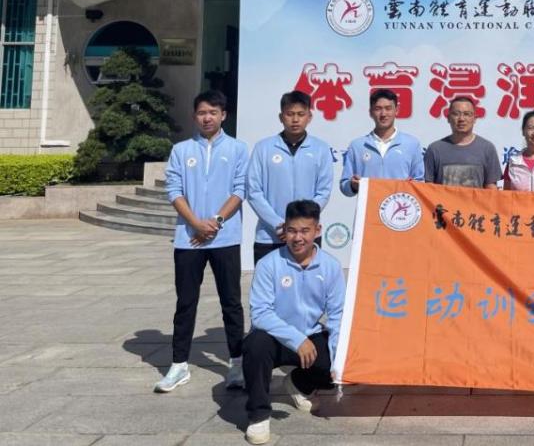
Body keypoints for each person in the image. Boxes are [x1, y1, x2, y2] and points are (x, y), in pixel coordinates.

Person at [154, 90, 248, 393]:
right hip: (188, 239)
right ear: (195, 116)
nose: (207, 118)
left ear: (223, 115)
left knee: (231, 302)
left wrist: (216, 222)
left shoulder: (238, 149)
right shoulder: (181, 150)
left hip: (225, 238)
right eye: (202, 112)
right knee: (185, 303)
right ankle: (179, 364)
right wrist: (195, 223)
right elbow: (173, 190)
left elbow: (240, 189)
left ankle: (237, 363)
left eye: (213, 112)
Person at [243, 200, 344, 445]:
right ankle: (258, 415)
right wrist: (297, 340)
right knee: (254, 345)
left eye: (305, 231)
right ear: (284, 231)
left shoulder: (331, 267)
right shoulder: (269, 264)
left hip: (310, 337)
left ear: (317, 231)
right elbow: (260, 313)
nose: (298, 238)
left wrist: (338, 361)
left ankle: (298, 383)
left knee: (341, 359)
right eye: (292, 231)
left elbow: (338, 316)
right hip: (275, 338)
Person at [247, 91, 334, 263]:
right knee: (268, 280)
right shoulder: (263, 148)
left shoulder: (321, 149)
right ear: (281, 117)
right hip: (270, 236)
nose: (295, 119)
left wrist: (301, 225)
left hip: (307, 236)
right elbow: (253, 191)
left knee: (308, 280)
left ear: (309, 117)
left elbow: (323, 191)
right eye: (290, 114)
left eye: (301, 114)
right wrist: (278, 225)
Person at [340, 88, 424, 196]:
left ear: (396, 110)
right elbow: (344, 185)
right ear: (371, 112)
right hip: (369, 206)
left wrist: (411, 186)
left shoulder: (412, 144)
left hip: (400, 205)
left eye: (388, 108)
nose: (383, 114)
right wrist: (352, 185)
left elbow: (420, 182)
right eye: (378, 109)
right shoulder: (357, 146)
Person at [423, 96, 501, 188]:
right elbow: (428, 188)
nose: (461, 119)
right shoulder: (435, 149)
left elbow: (491, 188)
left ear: (475, 118)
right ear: (448, 118)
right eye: (456, 114)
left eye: (467, 114)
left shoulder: (487, 149)